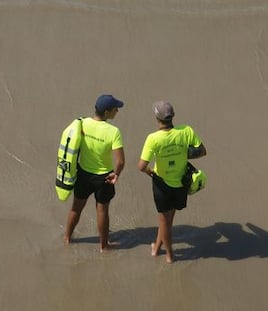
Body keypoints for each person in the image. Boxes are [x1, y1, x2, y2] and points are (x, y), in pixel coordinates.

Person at [138, 101, 206, 263]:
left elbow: (141, 166)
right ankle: (156, 249)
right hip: (181, 183)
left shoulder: (153, 138)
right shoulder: (186, 131)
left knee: (164, 222)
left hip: (161, 184)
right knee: (168, 221)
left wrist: (151, 173)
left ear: (157, 118)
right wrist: (181, 154)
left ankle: (169, 256)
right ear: (173, 116)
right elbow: (202, 151)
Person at [64, 94, 125, 252]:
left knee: (76, 208)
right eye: (115, 109)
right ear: (106, 112)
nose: (117, 111)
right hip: (104, 178)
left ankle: (67, 238)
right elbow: (120, 161)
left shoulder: (82, 124)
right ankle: (104, 246)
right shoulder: (113, 132)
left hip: (83, 174)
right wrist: (116, 174)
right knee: (102, 210)